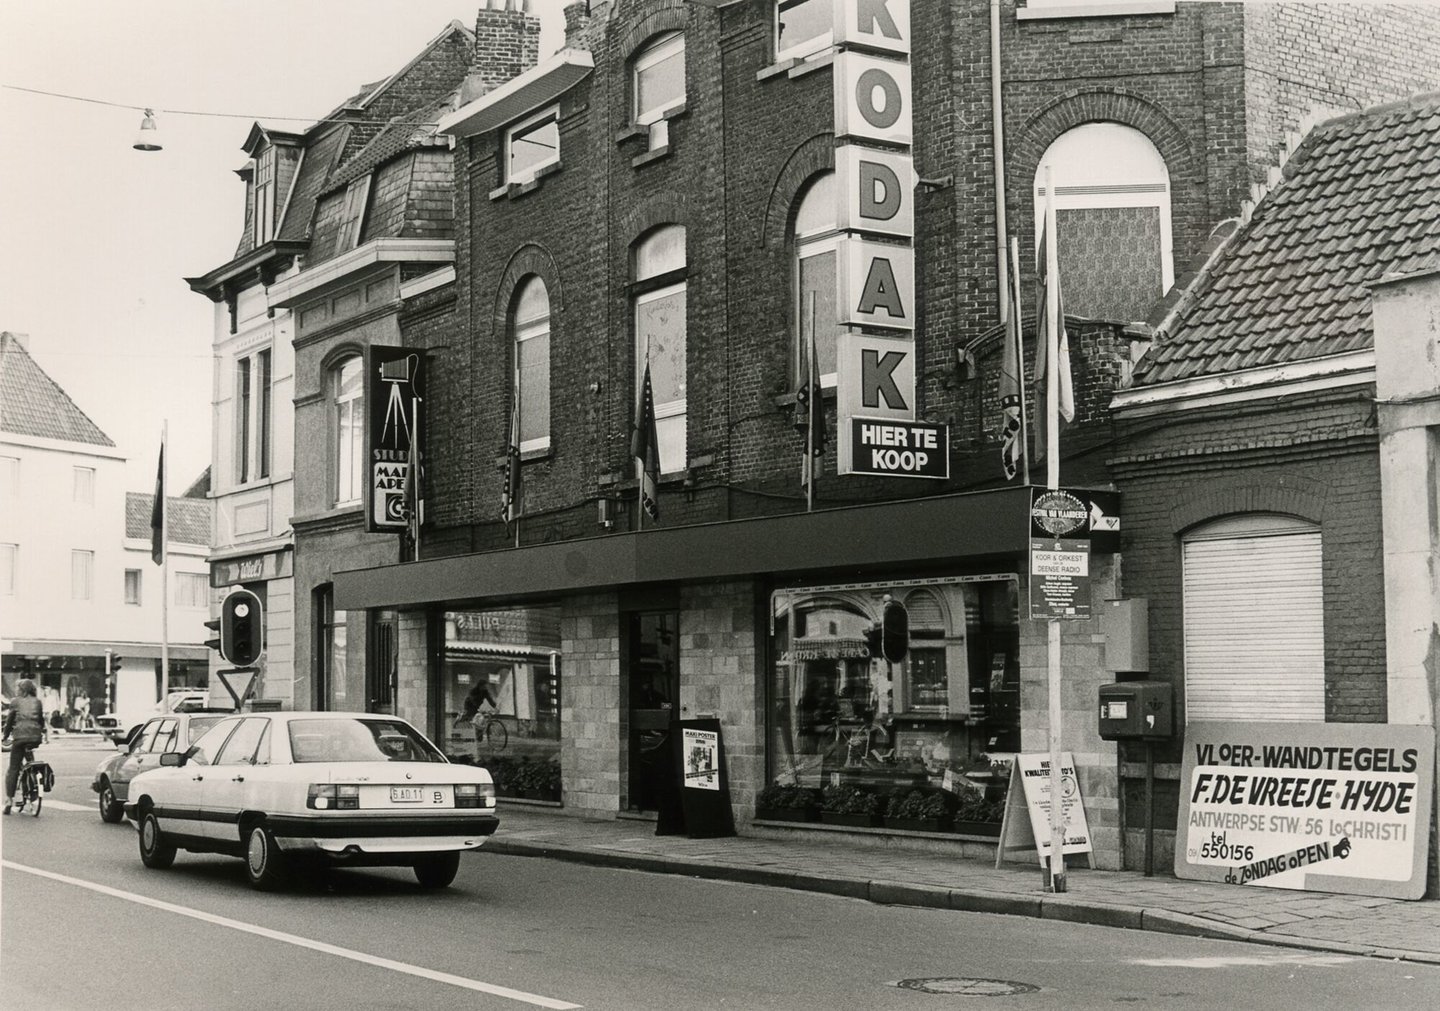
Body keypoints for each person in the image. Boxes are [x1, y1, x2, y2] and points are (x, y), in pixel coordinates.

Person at [3, 678, 48, 815]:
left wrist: (5, 736)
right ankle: (33, 783)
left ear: (22, 690)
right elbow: (40, 720)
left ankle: (9, 800)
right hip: (35, 737)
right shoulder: (38, 702)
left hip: (20, 738)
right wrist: (41, 732)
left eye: (18, 688)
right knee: (30, 761)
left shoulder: (15, 702)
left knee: (14, 768)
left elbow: (10, 721)